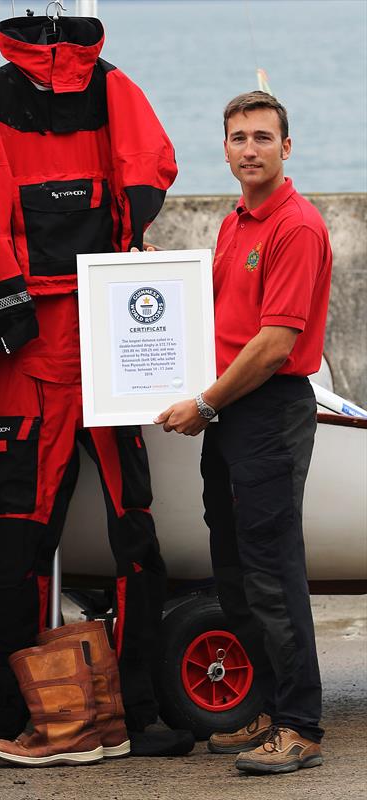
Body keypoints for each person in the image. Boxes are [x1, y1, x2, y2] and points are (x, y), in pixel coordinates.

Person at [0, 14, 194, 761]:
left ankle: (131, 707)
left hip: (101, 332)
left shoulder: (112, 86)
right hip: (40, 344)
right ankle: (11, 714)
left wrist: (121, 248)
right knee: (16, 533)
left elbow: (147, 166)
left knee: (129, 532)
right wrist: (11, 302)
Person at [156, 91, 332, 775]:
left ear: (287, 148)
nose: (250, 149)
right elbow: (217, 310)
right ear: (224, 148)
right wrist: (149, 277)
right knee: (231, 571)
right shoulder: (236, 223)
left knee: (272, 574)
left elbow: (272, 344)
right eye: (238, 138)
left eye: (263, 137)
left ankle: (301, 725)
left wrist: (203, 404)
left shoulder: (296, 226)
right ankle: (266, 709)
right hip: (231, 411)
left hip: (266, 408)